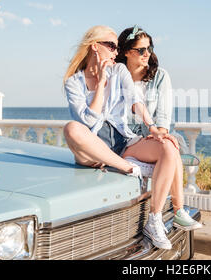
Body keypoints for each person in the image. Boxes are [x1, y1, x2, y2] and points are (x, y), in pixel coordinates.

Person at [62, 25, 200, 250]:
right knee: (72, 129)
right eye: (111, 46)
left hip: (123, 141)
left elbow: (136, 101)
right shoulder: (73, 82)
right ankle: (131, 168)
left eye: (118, 47)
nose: (116, 52)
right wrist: (100, 84)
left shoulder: (119, 71)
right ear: (94, 47)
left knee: (167, 147)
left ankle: (154, 220)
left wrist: (153, 128)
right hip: (93, 149)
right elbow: (87, 122)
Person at [115, 25, 202, 233]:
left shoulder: (159, 76)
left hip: (152, 139)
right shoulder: (116, 76)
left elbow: (163, 118)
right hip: (127, 142)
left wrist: (161, 135)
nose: (148, 54)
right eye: (141, 50)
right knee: (170, 151)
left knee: (169, 145)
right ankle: (177, 210)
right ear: (126, 51)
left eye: (150, 48)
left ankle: (177, 209)